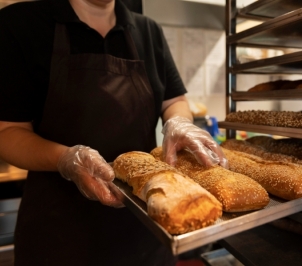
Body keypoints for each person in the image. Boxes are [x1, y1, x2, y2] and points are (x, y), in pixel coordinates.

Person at [0, 0, 228, 265]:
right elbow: (8, 131)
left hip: (147, 229)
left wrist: (179, 123)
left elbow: (173, 100)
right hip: (60, 235)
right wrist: (66, 159)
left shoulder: (147, 30)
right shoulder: (20, 23)